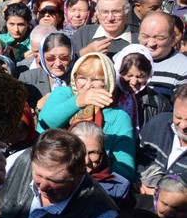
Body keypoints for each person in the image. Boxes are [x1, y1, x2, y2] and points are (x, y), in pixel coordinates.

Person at [0, 128, 118, 218]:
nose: (42, 186)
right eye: (38, 175)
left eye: (55, 181)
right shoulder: (21, 161)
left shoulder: (100, 217)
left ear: (78, 176)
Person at [38, 52, 137, 181]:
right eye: (82, 78)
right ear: (74, 77)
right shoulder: (64, 95)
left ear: (108, 81)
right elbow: (45, 123)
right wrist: (78, 101)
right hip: (51, 176)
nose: (88, 85)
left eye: (96, 80)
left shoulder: (118, 117)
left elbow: (127, 171)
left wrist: (99, 159)